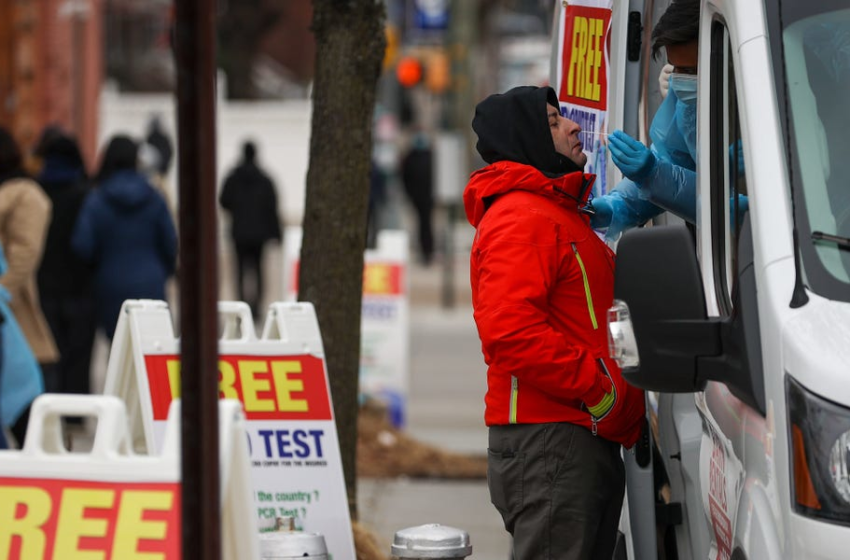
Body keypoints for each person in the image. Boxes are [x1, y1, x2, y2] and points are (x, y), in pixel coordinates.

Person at [464, 85, 645, 560]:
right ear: (525, 138)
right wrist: (603, 390)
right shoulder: (522, 218)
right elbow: (510, 332)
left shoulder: (555, 213)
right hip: (552, 441)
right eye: (551, 121)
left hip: (575, 438)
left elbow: (599, 316)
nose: (571, 127)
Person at [589, 0, 749, 239]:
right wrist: (617, 206)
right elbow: (672, 161)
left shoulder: (773, 106)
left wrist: (655, 176)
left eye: (691, 70)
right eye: (676, 69)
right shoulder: (688, 105)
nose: (681, 81)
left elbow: (736, 215)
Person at [71, 135, 178, 341]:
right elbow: (170, 240)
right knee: (152, 348)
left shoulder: (98, 199)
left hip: (110, 284)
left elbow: (82, 244)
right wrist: (164, 270)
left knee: (120, 351)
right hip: (151, 282)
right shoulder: (154, 196)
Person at [0, 127, 59, 445]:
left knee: (29, 421)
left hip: (14, 316)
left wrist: (2, 289)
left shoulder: (24, 195)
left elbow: (24, 253)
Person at [36, 132, 96, 401]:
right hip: (81, 287)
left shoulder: (37, 192)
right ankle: (76, 410)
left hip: (44, 285)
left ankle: (50, 409)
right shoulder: (86, 194)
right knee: (79, 355)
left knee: (50, 353)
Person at [219, 140, 282, 319]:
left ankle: (241, 307)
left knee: (239, 272)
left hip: (239, 233)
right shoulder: (265, 179)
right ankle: (256, 309)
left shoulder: (232, 178)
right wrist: (276, 234)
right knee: (258, 271)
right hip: (259, 235)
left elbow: (223, 201)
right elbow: (272, 207)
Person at [400, 131, 435, 265]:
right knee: (424, 224)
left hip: (421, 196)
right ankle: (427, 251)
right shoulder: (427, 156)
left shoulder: (412, 157)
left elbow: (404, 176)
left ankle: (426, 251)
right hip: (422, 196)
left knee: (424, 224)